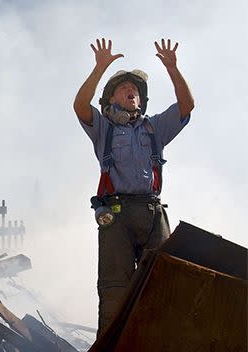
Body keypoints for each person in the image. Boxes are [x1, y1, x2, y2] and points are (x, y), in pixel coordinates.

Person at [73, 38, 194, 336]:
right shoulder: (104, 129)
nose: (132, 92)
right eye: (125, 89)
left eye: (136, 91)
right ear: (111, 99)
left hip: (153, 213)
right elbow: (79, 106)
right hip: (117, 215)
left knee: (164, 284)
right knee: (115, 290)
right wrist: (100, 69)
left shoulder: (154, 128)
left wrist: (173, 69)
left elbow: (186, 106)